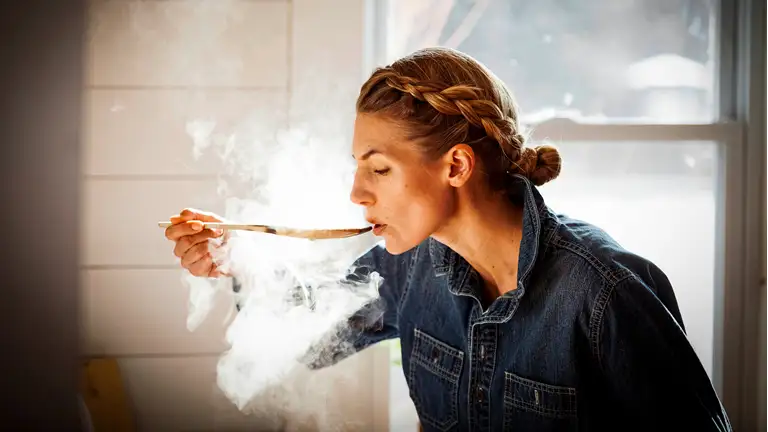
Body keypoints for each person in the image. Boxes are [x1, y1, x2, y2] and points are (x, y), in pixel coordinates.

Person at [164, 47, 731, 431]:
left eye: (379, 169)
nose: (357, 193)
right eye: (358, 168)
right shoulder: (410, 266)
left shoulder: (607, 292)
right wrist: (238, 260)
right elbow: (310, 338)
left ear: (456, 166)